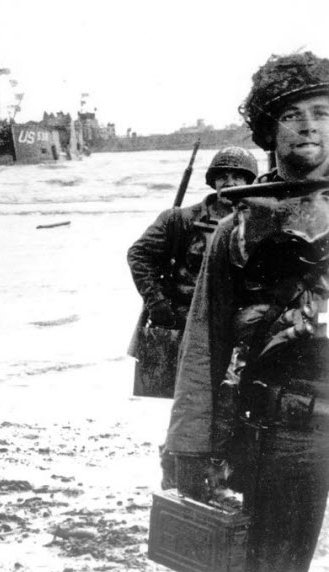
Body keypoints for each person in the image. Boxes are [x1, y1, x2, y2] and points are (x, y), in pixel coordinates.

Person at [166, 51, 329, 572]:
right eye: (291, 115)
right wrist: (190, 445)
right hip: (286, 432)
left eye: (322, 112)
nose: (308, 126)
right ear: (267, 132)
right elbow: (203, 343)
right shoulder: (237, 229)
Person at [127, 147, 257, 487]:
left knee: (230, 402)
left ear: (251, 181)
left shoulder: (256, 222)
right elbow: (139, 255)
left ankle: (217, 474)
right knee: (189, 406)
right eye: (223, 176)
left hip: (235, 328)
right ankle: (177, 473)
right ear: (212, 181)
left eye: (238, 176)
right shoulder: (181, 220)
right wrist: (157, 303)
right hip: (188, 325)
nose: (230, 182)